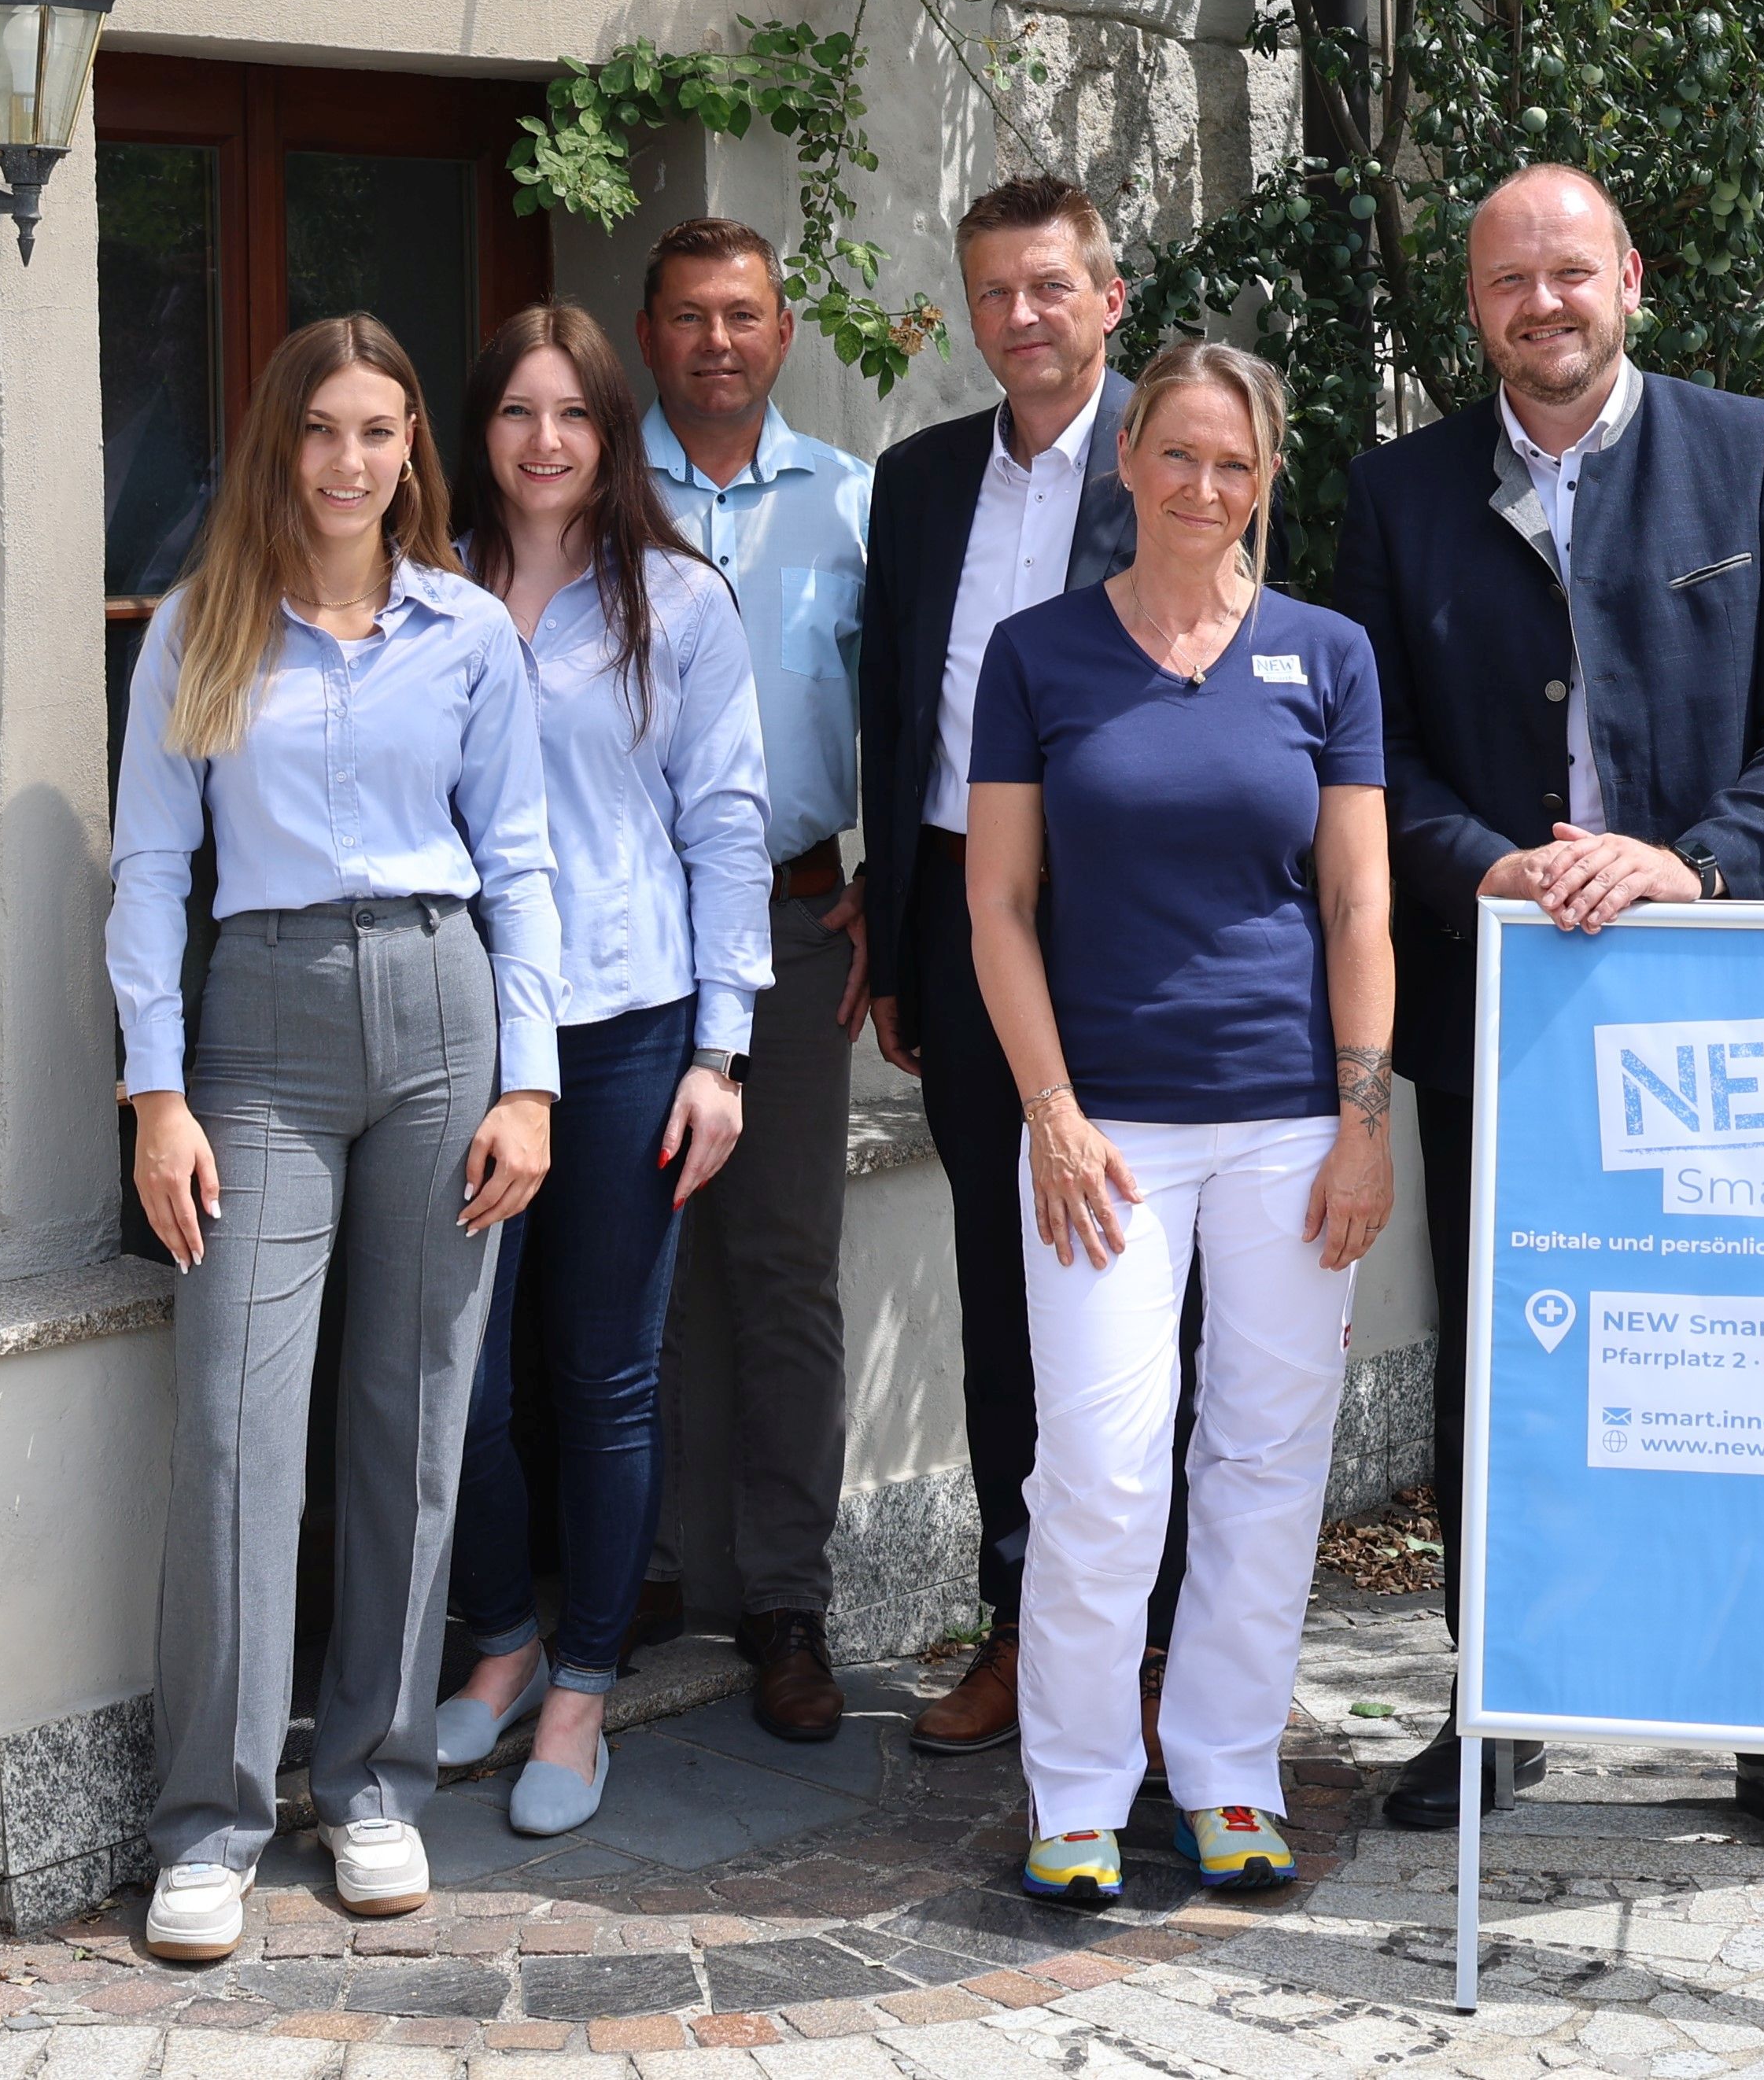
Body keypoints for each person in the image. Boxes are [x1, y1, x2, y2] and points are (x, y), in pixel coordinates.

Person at [1327, 164, 1764, 1868]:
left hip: (1710, 1002)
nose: (1542, 305)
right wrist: (1487, 866)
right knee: (1511, 1358)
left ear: (1629, 278)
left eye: (1571, 273)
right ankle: (1501, 1694)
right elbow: (1369, 759)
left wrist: (1687, 863)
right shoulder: (1400, 494)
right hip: (1507, 998)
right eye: (1509, 281)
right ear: (1475, 305)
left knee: (1741, 1361)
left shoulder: (1748, 450)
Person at [107, 313, 564, 1962]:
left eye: (381, 431)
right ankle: (211, 1821)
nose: (352, 460)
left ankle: (374, 1781)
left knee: (417, 1414)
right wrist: (156, 1091)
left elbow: (520, 858)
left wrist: (533, 1079)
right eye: (324, 430)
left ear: (410, 453)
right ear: (279, 446)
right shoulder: (200, 627)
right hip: (267, 1028)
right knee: (239, 1421)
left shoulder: (466, 634)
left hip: (446, 1017)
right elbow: (154, 869)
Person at [965, 340, 1397, 1905]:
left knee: (1268, 1460)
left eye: (1236, 463)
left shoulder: (1328, 656)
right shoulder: (1040, 656)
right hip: (1103, 1136)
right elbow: (998, 906)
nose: (1204, 487)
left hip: (1292, 1123)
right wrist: (1055, 1111)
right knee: (1098, 1464)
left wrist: (1366, 1114)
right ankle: (1077, 1783)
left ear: (1263, 480)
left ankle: (1225, 1768)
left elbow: (1360, 898)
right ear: (1129, 461)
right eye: (1177, 455)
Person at [862, 174, 1194, 1758]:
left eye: (1050, 287)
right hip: (955, 911)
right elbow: (892, 713)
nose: (1022, 318)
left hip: (1121, 927)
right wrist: (894, 931)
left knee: (1139, 1288)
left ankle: (1152, 1647)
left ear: (1107, 298)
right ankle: (1020, 1621)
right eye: (995, 291)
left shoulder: (1174, 463)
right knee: (1002, 1288)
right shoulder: (920, 479)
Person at [435, 303, 773, 1835]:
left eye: (575, 412)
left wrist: (722, 1048)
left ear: (611, 430)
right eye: (518, 409)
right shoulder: (422, 588)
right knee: (468, 1376)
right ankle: (500, 1640)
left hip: (629, 1024)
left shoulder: (679, 602)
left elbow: (726, 825)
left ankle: (582, 1686)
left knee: (605, 1373)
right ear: (482, 426)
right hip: (455, 1031)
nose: (547, 440)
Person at [637, 219, 878, 1746]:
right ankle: (640, 1574)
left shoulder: (856, 505)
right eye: (687, 317)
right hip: (624, 940)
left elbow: (919, 714)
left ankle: (787, 1595)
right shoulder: (593, 488)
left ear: (784, 330)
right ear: (647, 332)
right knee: (633, 1267)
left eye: (744, 315)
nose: (718, 341)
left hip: (796, 934)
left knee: (786, 1273)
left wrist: (896, 898)